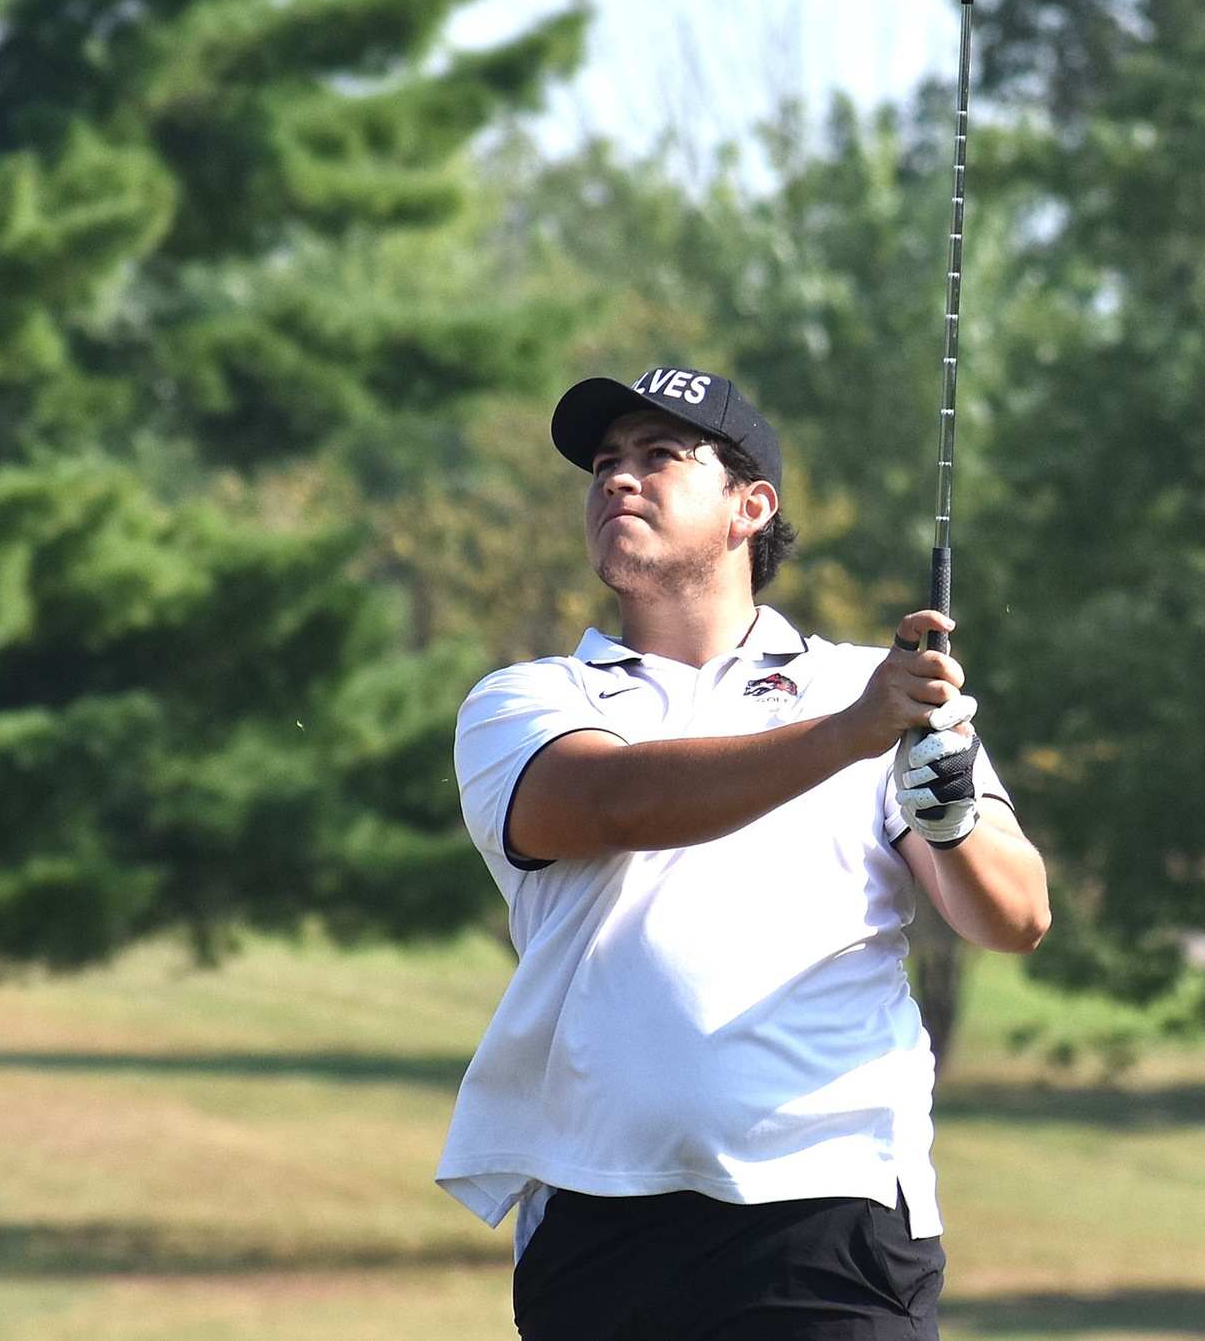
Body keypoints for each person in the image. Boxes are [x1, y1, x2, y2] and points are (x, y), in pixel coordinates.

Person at [435, 365, 1052, 1341]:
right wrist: (848, 734)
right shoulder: (527, 699)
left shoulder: (868, 688)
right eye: (603, 463)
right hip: (595, 1212)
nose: (616, 480)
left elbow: (1014, 915)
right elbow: (607, 802)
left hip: (830, 1204)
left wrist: (951, 823)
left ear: (749, 506)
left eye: (657, 456)